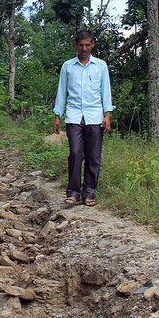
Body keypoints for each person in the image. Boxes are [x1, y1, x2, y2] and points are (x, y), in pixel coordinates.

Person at [53, 29, 115, 207]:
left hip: (95, 116)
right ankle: (73, 192)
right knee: (75, 154)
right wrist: (58, 115)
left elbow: (106, 91)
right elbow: (62, 91)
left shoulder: (100, 66)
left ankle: (89, 192)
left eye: (88, 45)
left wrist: (107, 114)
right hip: (73, 116)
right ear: (76, 46)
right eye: (81, 45)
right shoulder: (67, 66)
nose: (84, 48)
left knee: (93, 156)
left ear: (92, 45)